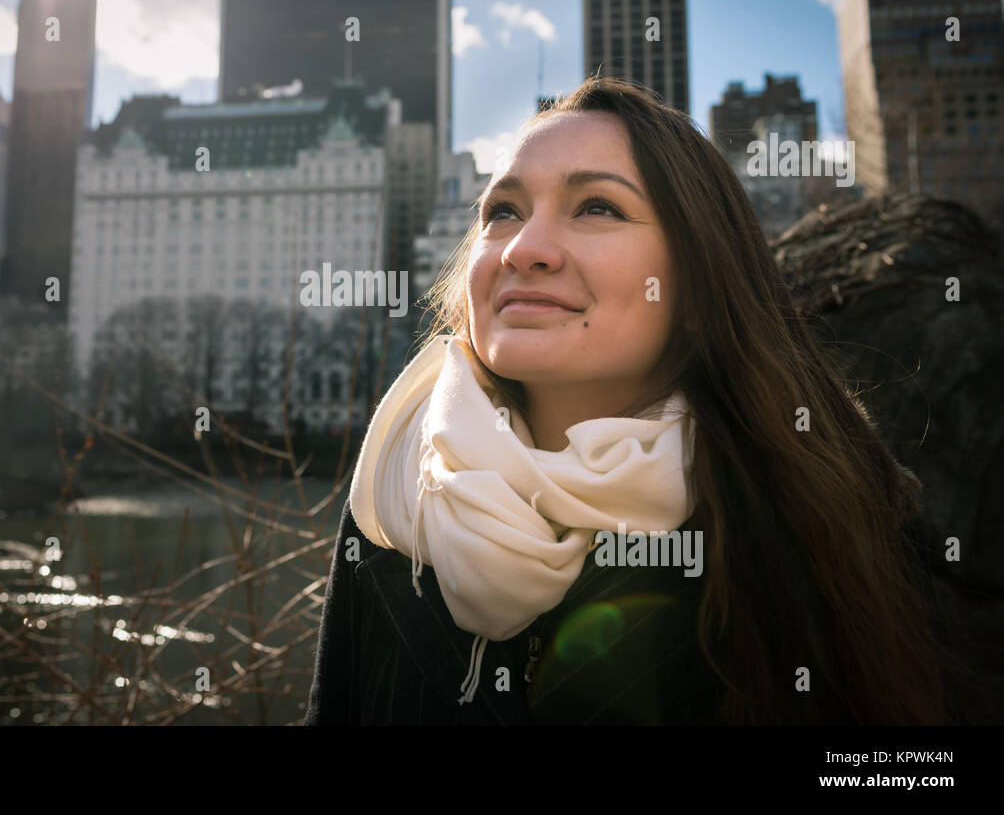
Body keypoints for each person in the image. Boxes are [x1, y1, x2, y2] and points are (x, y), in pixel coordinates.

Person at [304, 75, 959, 725]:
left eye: (597, 207)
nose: (525, 248)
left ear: (700, 284)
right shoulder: (397, 488)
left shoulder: (824, 519)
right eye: (503, 210)